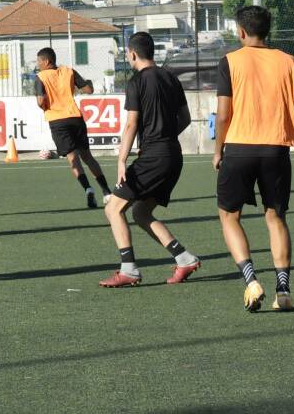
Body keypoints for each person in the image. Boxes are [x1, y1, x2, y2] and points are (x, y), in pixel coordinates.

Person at [214, 6, 294, 312]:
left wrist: (218, 150)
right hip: (276, 150)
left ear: (241, 31)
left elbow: (223, 114)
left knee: (229, 215)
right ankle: (283, 291)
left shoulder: (230, 62)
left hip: (239, 147)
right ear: (268, 30)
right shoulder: (290, 62)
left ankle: (250, 280)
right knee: (275, 217)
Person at [99, 32, 201, 288]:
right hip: (173, 155)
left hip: (154, 157)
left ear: (132, 53)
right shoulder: (170, 78)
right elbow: (186, 119)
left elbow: (132, 123)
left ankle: (129, 269)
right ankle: (185, 258)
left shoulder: (137, 82)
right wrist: (164, 137)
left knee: (113, 208)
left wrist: (122, 159)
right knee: (141, 212)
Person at [34, 47, 112, 209]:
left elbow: (41, 101)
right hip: (75, 118)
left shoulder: (40, 77)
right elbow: (88, 90)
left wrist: (45, 104)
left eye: (39, 61)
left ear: (46, 61)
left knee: (73, 159)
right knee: (87, 156)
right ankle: (107, 192)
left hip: (57, 121)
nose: (37, 64)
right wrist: (88, 82)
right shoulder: (69, 71)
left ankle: (88, 189)